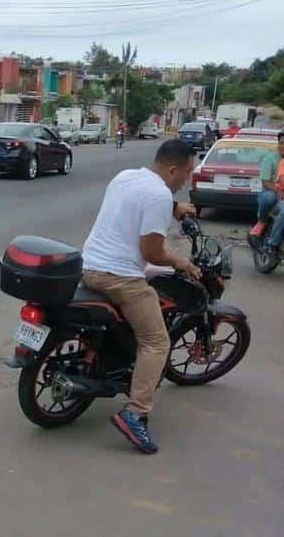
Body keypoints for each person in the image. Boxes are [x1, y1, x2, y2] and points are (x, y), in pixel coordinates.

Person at [81, 139, 201, 454]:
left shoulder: (127, 176)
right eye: (187, 173)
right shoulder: (159, 194)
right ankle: (135, 414)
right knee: (157, 341)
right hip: (118, 277)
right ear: (173, 169)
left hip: (89, 265)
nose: (187, 180)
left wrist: (177, 208)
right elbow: (152, 253)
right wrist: (180, 261)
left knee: (148, 278)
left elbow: (142, 201)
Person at [250, 131, 284, 254]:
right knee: (269, 198)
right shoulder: (270, 158)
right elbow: (265, 182)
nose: (283, 146)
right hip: (271, 191)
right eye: (281, 143)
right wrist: (278, 191)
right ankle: (263, 226)